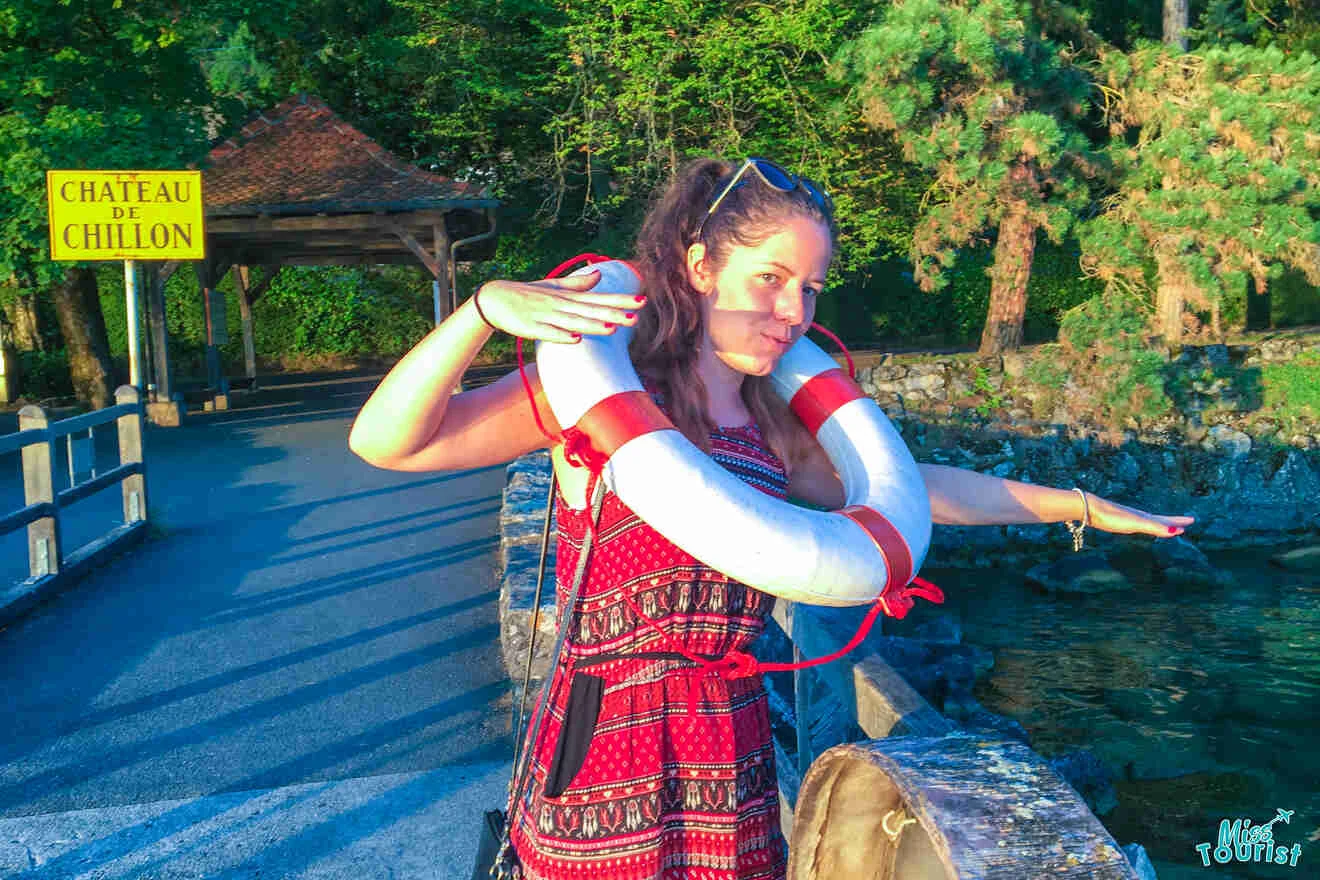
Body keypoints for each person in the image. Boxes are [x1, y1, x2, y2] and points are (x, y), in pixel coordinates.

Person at [348, 157, 1195, 880]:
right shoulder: (598, 390)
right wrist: (483, 310)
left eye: (811, 287)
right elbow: (392, 444)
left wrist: (1079, 508)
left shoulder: (771, 422)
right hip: (606, 734)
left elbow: (909, 493)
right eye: (771, 278)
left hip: (732, 733)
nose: (794, 310)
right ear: (700, 265)